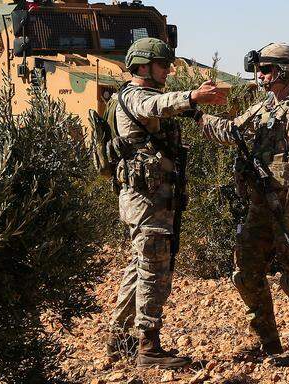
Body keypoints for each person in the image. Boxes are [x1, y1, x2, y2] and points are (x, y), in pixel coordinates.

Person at [197, 42, 289, 366]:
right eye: (259, 69)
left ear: (283, 72)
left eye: (266, 69)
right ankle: (268, 342)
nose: (260, 74)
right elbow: (231, 131)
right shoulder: (263, 109)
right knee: (245, 271)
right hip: (260, 205)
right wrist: (196, 115)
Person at [105, 37, 226, 369]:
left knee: (139, 267)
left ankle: (119, 339)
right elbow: (155, 106)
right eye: (162, 65)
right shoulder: (134, 96)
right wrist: (191, 96)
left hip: (151, 199)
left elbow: (165, 106)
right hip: (147, 201)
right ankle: (148, 346)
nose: (168, 71)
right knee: (154, 272)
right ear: (143, 67)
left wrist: (195, 102)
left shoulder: (146, 95)